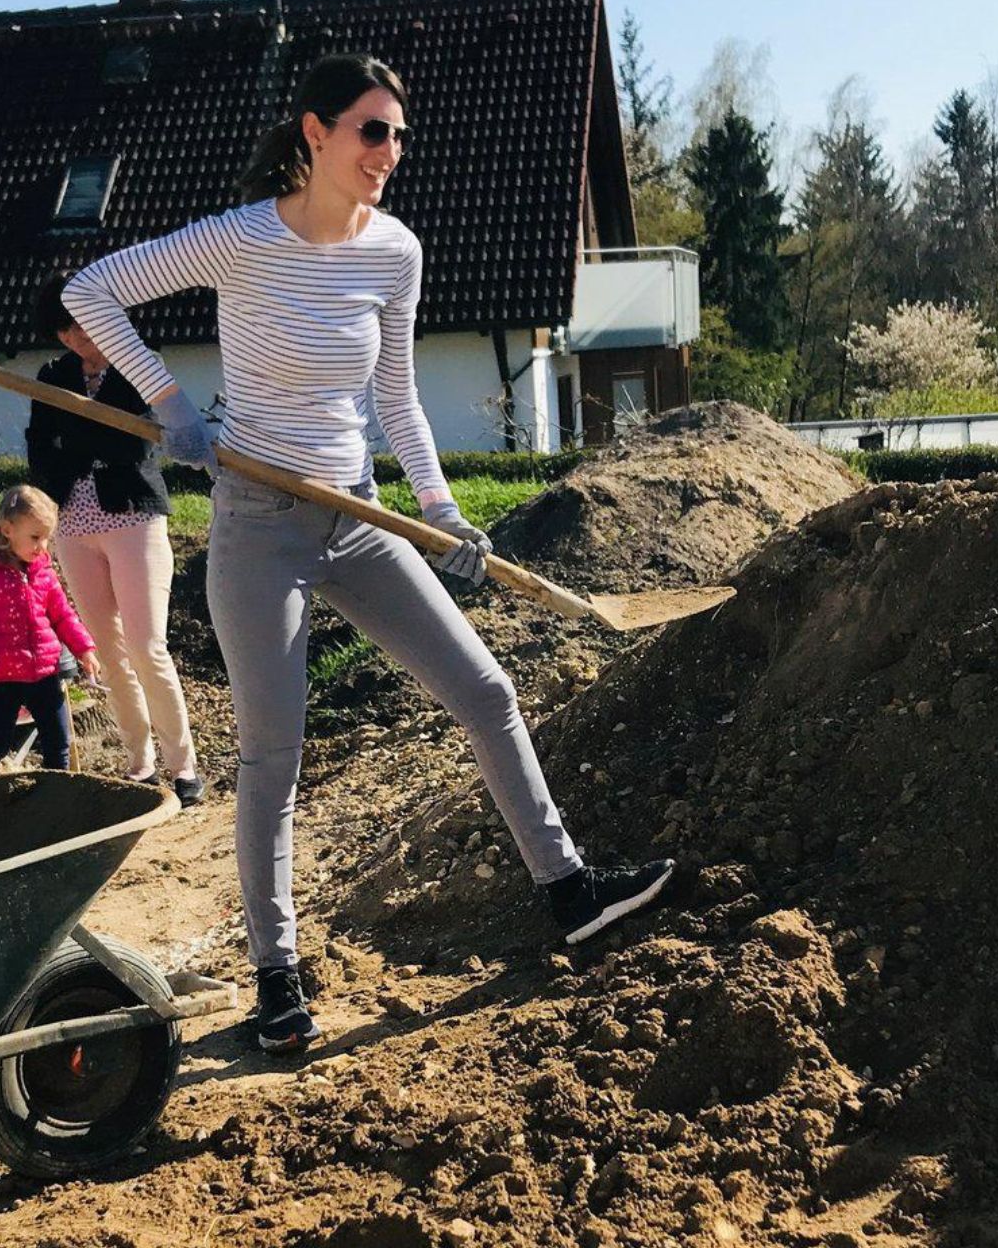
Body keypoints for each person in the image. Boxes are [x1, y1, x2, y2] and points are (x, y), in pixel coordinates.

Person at [63, 54, 674, 1055]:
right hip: (259, 528)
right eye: (371, 131)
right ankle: (277, 977)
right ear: (316, 133)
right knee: (272, 757)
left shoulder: (395, 252)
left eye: (398, 135)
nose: (390, 152)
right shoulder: (242, 237)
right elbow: (95, 290)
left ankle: (568, 891)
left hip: (359, 519)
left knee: (486, 692)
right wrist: (164, 397)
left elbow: (395, 399)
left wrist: (441, 509)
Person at [26, 273, 205, 804]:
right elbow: (41, 450)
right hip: (74, 525)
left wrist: (76, 438)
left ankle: (184, 765)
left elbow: (135, 445)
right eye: (71, 332)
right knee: (109, 647)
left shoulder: (137, 365)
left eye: (88, 326)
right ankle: (140, 761)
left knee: (149, 648)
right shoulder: (50, 376)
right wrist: (86, 441)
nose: (82, 339)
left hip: (134, 517)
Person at [0, 484, 99, 772]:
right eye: (35, 537)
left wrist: (84, 648)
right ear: (7, 530)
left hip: (44, 672)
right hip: (1, 676)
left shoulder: (43, 573)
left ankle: (54, 800)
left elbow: (63, 615)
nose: (42, 547)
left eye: (47, 539)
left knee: (58, 741)